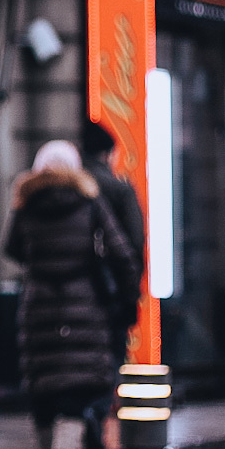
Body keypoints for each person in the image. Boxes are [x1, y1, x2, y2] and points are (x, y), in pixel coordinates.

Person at [3, 139, 141, 449]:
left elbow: (11, 247)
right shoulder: (89, 202)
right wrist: (127, 300)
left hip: (39, 302)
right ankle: (86, 427)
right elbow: (123, 254)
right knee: (90, 371)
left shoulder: (27, 203)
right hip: (86, 300)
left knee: (43, 375)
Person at [81, 118, 146, 363]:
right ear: (108, 153)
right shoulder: (119, 190)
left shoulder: (69, 188)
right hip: (111, 292)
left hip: (75, 297)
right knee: (112, 361)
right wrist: (131, 298)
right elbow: (134, 244)